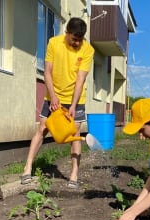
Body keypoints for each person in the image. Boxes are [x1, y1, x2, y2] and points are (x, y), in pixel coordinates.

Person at [20, 17, 95, 189]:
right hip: (53, 97)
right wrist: (53, 97)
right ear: (66, 33)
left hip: (75, 99)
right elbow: (47, 72)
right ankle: (27, 168)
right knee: (42, 130)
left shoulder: (88, 49)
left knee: (74, 136)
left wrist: (73, 105)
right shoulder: (54, 43)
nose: (77, 43)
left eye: (80, 39)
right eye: (74, 39)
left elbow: (80, 79)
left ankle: (74, 175)